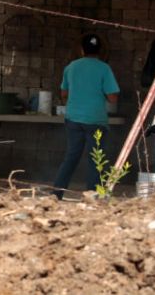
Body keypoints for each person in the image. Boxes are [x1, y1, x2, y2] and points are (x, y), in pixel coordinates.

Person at [53, 34, 120, 199]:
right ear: (100, 50)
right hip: (95, 120)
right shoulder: (104, 68)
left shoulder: (71, 67)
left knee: (71, 156)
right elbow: (113, 97)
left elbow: (64, 94)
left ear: (82, 49)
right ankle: (93, 195)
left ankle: (56, 193)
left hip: (73, 119)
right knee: (95, 160)